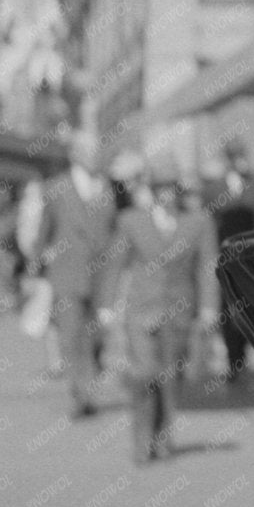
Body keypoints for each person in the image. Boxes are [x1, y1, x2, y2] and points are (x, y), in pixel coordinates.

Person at [99, 160, 220, 462]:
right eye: (159, 189)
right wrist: (107, 304)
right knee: (143, 374)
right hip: (141, 312)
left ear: (179, 192)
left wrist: (208, 308)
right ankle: (141, 442)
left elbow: (207, 267)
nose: (165, 195)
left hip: (179, 312)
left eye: (170, 189)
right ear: (151, 191)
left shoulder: (199, 222)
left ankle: (162, 438)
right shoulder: (131, 221)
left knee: (169, 378)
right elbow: (115, 263)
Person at [34, 137, 122, 417]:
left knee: (95, 338)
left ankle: (89, 384)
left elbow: (115, 229)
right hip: (68, 274)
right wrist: (38, 259)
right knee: (71, 337)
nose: (94, 157)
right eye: (88, 151)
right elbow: (45, 229)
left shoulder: (108, 188)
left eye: (97, 152)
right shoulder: (56, 187)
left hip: (101, 276)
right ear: (75, 154)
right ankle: (80, 395)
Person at [209, 150, 254, 379]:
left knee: (250, 307)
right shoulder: (215, 188)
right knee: (228, 308)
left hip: (250, 257)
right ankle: (234, 361)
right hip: (225, 257)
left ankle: (245, 354)